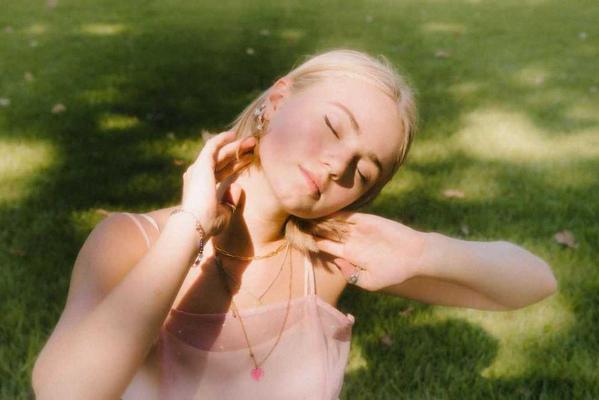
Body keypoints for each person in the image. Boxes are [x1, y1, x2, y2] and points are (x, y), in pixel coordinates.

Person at [31, 49, 558, 400]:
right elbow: (64, 392)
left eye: (363, 171)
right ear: (277, 101)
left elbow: (534, 282)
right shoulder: (132, 242)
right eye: (332, 126)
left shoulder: (325, 261)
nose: (337, 165)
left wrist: (423, 251)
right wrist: (191, 224)